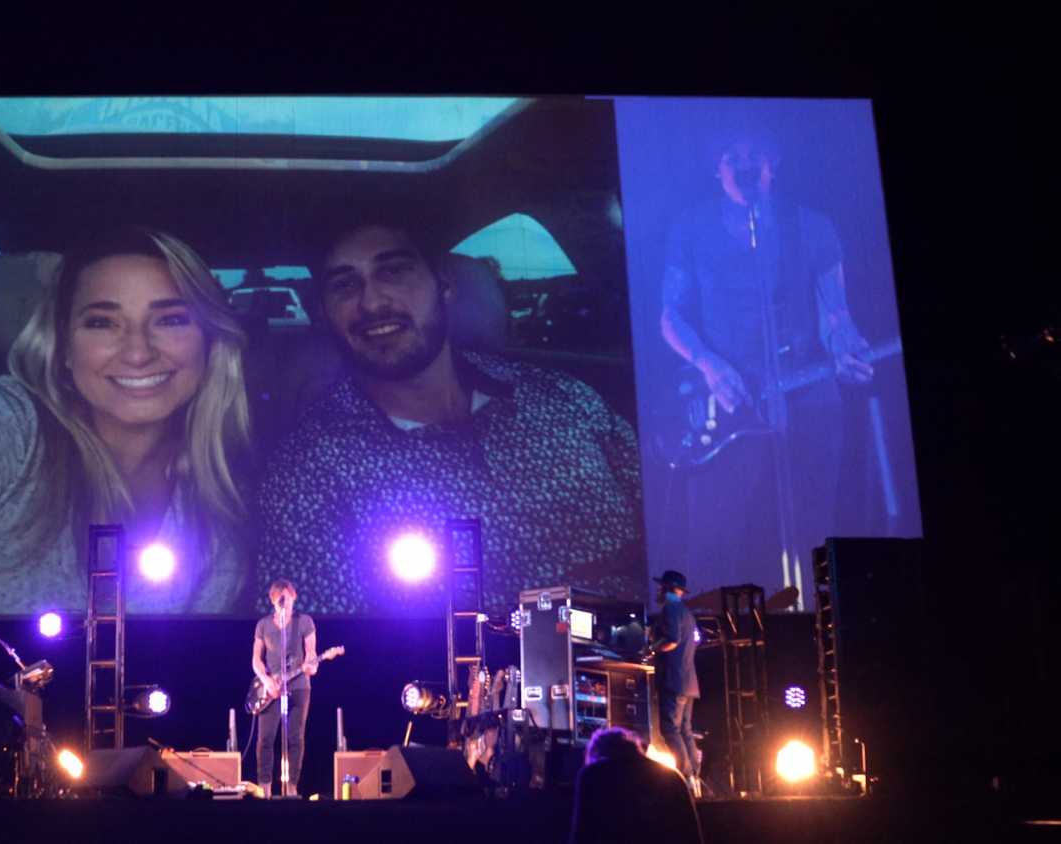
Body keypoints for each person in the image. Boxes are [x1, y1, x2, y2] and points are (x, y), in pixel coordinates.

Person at [256, 221, 643, 614]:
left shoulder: (563, 398)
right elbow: (323, 648)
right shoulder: (309, 471)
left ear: (443, 286)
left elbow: (673, 527)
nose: (372, 303)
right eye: (345, 286)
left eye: (393, 271)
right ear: (324, 314)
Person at [0, 226, 254, 614]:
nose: (138, 352)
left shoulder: (219, 509)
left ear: (210, 340)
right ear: (63, 346)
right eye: (102, 322)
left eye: (171, 320)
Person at [659, 130, 873, 593]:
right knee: (716, 538)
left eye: (755, 156)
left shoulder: (812, 227)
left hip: (806, 389)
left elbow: (836, 313)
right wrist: (709, 365)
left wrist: (845, 346)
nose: (744, 165)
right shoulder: (691, 228)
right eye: (732, 156)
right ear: (716, 169)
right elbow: (670, 315)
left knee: (812, 533)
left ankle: (815, 632)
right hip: (728, 397)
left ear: (772, 165)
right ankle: (711, 648)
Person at [569, 727, 702, 844]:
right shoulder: (672, 775)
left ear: (596, 754)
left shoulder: (593, 774)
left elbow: (581, 834)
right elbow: (691, 834)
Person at [251, 579, 317, 797]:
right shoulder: (263, 625)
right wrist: (267, 680)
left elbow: (311, 654)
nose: (284, 600)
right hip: (270, 689)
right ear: (273, 600)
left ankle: (291, 787)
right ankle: (265, 787)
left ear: (293, 597)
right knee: (266, 738)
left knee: (295, 737)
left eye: (287, 596)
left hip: (298, 687)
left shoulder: (304, 621)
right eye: (280, 597)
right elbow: (256, 660)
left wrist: (310, 665)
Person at [648, 569, 701, 794]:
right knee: (685, 731)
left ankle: (685, 778)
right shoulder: (687, 613)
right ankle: (694, 779)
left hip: (674, 680)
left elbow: (672, 640)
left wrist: (651, 649)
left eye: (661, 587)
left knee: (670, 730)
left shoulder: (670, 609)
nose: (658, 591)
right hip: (688, 682)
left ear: (668, 588)